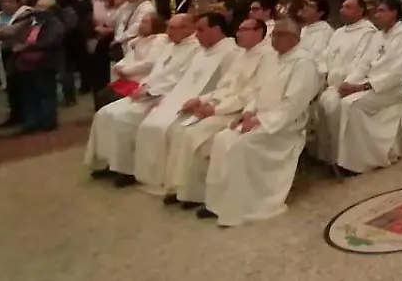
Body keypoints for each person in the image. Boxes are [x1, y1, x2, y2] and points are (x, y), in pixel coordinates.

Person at [202, 18, 322, 227]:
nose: (273, 40)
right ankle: (219, 203)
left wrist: (261, 120)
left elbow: (294, 104)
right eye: (273, 35)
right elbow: (258, 91)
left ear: (292, 38)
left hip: (284, 126)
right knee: (222, 139)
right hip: (260, 118)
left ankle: (247, 205)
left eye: (278, 35)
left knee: (241, 145)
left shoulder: (303, 63)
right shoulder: (276, 59)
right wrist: (248, 113)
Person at [163, 17, 272, 211]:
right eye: (239, 29)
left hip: (237, 112)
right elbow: (224, 86)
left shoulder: (267, 57)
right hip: (220, 106)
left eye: (244, 30)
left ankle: (200, 194)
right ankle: (184, 189)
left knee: (196, 136)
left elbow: (253, 94)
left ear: (259, 32)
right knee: (179, 129)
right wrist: (202, 100)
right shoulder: (241, 56)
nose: (238, 33)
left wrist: (216, 109)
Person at [84, 14, 201, 184]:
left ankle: (127, 169)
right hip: (147, 91)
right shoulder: (170, 46)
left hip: (165, 96)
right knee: (104, 113)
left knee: (122, 119)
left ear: (188, 29)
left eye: (172, 28)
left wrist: (149, 91)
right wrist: (144, 86)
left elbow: (179, 79)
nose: (167, 32)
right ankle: (107, 162)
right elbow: (156, 71)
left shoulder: (194, 49)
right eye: (168, 27)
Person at [130, 13, 240, 192]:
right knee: (150, 124)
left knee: (173, 131)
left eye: (201, 30)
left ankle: (180, 186)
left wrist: (205, 101)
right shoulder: (203, 51)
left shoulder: (230, 52)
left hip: (206, 105)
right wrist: (164, 99)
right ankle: (158, 179)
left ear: (217, 30)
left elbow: (228, 87)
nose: (196, 35)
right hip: (182, 100)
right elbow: (183, 81)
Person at [312, 0, 402, 174]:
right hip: (368, 83)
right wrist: (349, 83)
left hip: (394, 87)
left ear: (394, 13)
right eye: (376, 11)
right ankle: (339, 155)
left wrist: (363, 87)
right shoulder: (378, 35)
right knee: (334, 98)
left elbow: (400, 72)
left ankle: (358, 162)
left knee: (351, 104)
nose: (377, 15)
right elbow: (364, 64)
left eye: (382, 11)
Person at [13, 0, 68, 133]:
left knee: (46, 92)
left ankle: (47, 121)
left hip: (45, 61)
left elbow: (51, 41)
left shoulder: (55, 23)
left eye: (41, 7)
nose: (36, 9)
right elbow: (16, 33)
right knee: (29, 94)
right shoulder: (30, 21)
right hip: (27, 63)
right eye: (37, 6)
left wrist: (26, 46)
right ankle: (31, 121)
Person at [0, 0, 33, 128]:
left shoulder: (25, 14)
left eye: (10, 1)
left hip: (23, 53)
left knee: (25, 85)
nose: (6, 4)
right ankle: (15, 115)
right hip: (5, 53)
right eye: (4, 2)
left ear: (18, 3)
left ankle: (28, 116)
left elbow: (14, 32)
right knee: (11, 86)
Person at [312, 0, 377, 94]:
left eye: (347, 8)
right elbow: (325, 55)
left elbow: (361, 63)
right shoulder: (339, 32)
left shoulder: (368, 33)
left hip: (349, 87)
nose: (341, 11)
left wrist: (346, 82)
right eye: (342, 7)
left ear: (360, 11)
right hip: (327, 85)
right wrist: (322, 76)